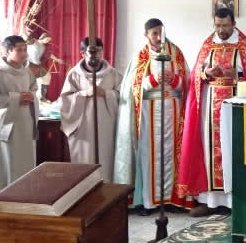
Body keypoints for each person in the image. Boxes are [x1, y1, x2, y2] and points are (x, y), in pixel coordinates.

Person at [178, 8, 246, 216]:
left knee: (233, 149)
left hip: (235, 106)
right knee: (209, 150)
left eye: (225, 26)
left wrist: (237, 74)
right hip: (210, 106)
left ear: (234, 24)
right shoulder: (208, 44)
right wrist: (206, 72)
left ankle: (235, 201)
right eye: (217, 25)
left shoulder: (244, 46)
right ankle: (210, 201)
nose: (221, 30)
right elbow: (196, 73)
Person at [114, 18, 192, 213]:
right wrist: (152, 80)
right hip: (148, 111)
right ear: (146, 35)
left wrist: (174, 79)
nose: (158, 37)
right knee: (149, 155)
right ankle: (148, 201)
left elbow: (188, 82)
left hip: (173, 110)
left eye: (160, 32)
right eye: (154, 33)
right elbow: (131, 87)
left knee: (172, 154)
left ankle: (172, 199)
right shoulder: (141, 56)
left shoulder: (175, 52)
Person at [59, 37, 124, 181]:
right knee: (85, 167)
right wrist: (84, 94)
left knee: (106, 164)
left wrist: (106, 94)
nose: (97, 55)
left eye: (99, 51)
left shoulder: (113, 74)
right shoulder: (74, 74)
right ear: (83, 53)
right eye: (92, 51)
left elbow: (125, 98)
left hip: (107, 129)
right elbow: (65, 101)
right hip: (83, 130)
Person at [0, 35, 39, 190]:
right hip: (7, 123)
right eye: (19, 50)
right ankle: (7, 192)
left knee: (26, 159)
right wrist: (16, 98)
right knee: (9, 160)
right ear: (7, 51)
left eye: (25, 49)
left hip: (26, 121)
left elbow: (34, 89)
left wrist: (31, 96)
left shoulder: (27, 72)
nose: (24, 53)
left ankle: (27, 191)